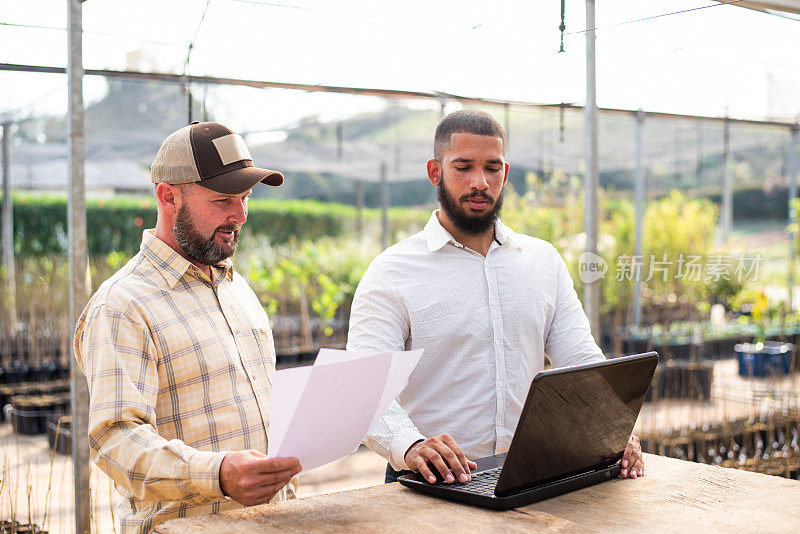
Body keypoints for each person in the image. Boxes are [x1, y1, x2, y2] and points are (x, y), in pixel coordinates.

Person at [347, 109, 643, 486]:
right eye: (464, 167)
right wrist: (411, 446)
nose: (480, 182)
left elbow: (581, 361)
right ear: (435, 172)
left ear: (505, 173)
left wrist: (613, 429)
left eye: (492, 167)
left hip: (528, 473)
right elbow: (365, 386)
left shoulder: (542, 261)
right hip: (431, 482)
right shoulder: (393, 271)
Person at [74, 121, 301, 533]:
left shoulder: (236, 287)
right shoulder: (124, 304)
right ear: (168, 197)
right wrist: (217, 475)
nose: (241, 215)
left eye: (246, 198)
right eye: (224, 200)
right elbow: (116, 440)